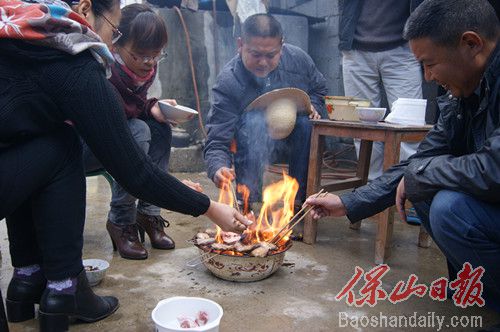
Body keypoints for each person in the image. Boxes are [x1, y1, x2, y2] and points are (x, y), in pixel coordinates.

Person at [0, 0, 250, 330]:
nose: (111, 41)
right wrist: (209, 207)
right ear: (85, 8)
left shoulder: (17, 29)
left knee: (37, 139)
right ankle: (64, 289)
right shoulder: (68, 57)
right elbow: (135, 173)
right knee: (63, 145)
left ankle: (27, 277)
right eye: (115, 30)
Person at [306, 0, 500, 312]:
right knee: (422, 189)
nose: (427, 77)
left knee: (449, 208)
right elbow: (419, 162)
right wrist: (348, 202)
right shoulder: (463, 90)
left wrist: (426, 173)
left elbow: (494, 167)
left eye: (430, 64)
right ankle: (481, 287)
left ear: (470, 44)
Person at [83, 3, 184, 259]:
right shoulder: (102, 65)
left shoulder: (141, 69)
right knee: (139, 131)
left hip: (115, 134)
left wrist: (154, 108)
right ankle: (121, 220)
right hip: (82, 143)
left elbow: (132, 106)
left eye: (157, 54)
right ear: (116, 43)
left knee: (160, 129)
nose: (149, 63)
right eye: (141, 54)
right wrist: (147, 108)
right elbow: (114, 113)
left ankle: (149, 214)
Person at [204, 13, 327, 210]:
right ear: (240, 45)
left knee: (307, 124)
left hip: (295, 139)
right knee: (253, 121)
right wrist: (218, 167)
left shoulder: (298, 60)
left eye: (271, 55)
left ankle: (299, 202)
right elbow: (217, 137)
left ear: (282, 46)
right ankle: (247, 201)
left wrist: (314, 105)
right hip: (250, 143)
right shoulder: (229, 81)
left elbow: (319, 88)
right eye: (255, 54)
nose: (263, 63)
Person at [339, 0, 424, 180]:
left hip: (404, 47)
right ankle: (372, 190)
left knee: (409, 124)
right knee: (362, 128)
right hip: (355, 48)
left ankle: (408, 188)